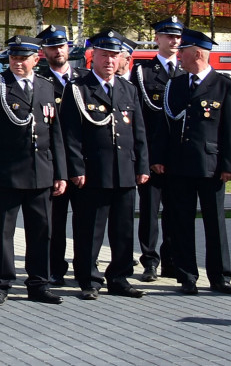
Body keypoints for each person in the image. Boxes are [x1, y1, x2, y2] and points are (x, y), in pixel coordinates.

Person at [0, 36, 66, 306]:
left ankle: (39, 283)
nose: (17, 63)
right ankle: (0, 284)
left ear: (36, 59)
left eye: (23, 58)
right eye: (13, 58)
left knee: (41, 230)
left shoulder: (46, 86)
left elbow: (55, 132)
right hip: (6, 172)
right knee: (2, 232)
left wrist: (60, 173)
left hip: (41, 171)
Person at [62, 29, 149, 300]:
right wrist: (76, 168)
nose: (110, 61)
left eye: (114, 55)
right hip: (93, 171)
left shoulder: (128, 89)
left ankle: (119, 277)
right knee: (90, 228)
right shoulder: (78, 89)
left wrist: (142, 166)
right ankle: (88, 279)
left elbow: (139, 132)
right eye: (104, 55)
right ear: (93, 56)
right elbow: (71, 134)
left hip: (124, 170)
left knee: (123, 229)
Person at [161, 27, 231, 295]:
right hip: (180, 165)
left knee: (214, 222)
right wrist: (161, 159)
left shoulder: (225, 85)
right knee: (181, 221)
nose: (178, 55)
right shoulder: (177, 84)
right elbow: (166, 128)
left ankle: (220, 277)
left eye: (182, 51)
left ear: (196, 54)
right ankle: (187, 276)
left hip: (212, 165)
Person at [131, 16, 182, 282]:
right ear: (158, 39)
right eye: (168, 36)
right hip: (151, 156)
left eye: (177, 37)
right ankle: (150, 261)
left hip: (179, 158)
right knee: (149, 213)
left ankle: (171, 261)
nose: (173, 41)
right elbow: (138, 118)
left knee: (174, 212)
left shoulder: (185, 72)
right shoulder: (143, 73)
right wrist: (147, 157)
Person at [36, 24, 83, 286]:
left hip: (84, 163)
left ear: (69, 48)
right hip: (53, 162)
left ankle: (86, 267)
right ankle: (55, 267)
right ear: (44, 52)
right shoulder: (41, 82)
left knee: (85, 220)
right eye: (52, 47)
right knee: (54, 222)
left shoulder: (84, 79)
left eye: (61, 45)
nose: (58, 51)